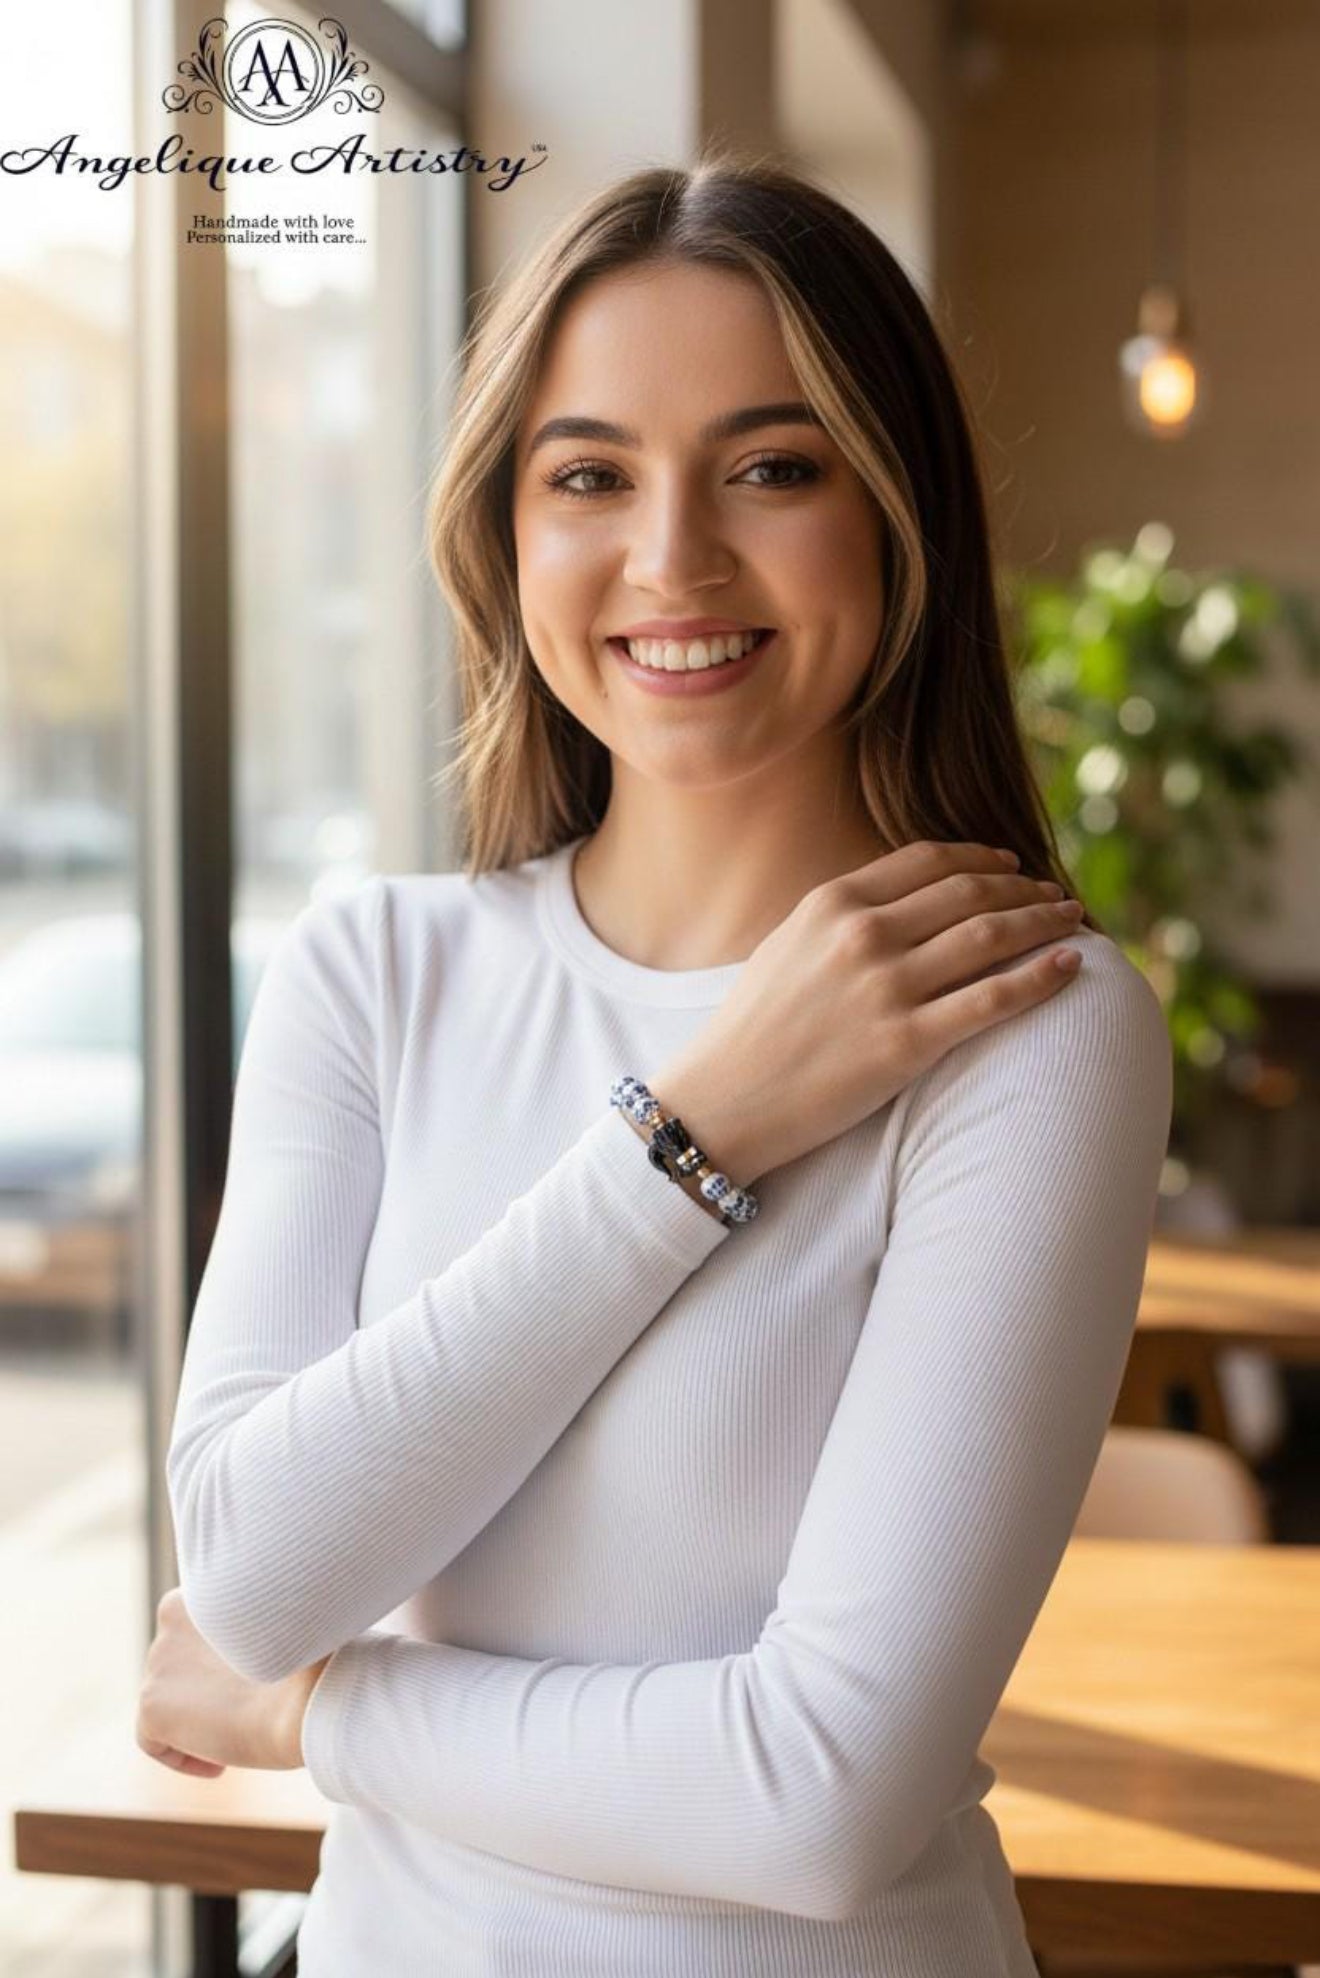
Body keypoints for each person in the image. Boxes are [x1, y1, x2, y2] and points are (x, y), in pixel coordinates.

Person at [154, 148, 1172, 1975]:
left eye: (773, 468)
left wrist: (317, 1717)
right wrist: (695, 1129)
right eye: (590, 476)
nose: (673, 556)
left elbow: (819, 1794)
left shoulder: (1031, 1023)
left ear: (897, 515)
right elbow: (247, 1576)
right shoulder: (374, 973)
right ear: (507, 531)